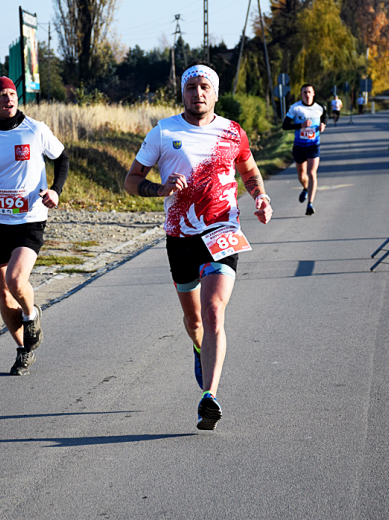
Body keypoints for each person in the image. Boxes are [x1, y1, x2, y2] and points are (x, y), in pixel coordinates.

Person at [124, 61, 273, 431]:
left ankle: (209, 396)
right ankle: (197, 347)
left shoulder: (232, 132)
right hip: (180, 238)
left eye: (205, 87)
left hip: (223, 231)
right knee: (194, 322)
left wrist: (261, 197)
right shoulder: (163, 132)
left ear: (215, 93)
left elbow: (249, 171)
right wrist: (159, 189)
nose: (198, 93)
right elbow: (131, 181)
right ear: (183, 93)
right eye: (191, 87)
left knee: (213, 311)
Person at [0, 76, 70, 376]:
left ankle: (31, 315)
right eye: (2, 95)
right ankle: (23, 349)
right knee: (3, 290)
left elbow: (62, 159)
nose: (9, 99)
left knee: (16, 281)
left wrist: (55, 190)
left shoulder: (36, 129)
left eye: (12, 94)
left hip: (29, 219)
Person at [283, 83, 327, 216]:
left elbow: (324, 117)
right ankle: (305, 188)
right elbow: (285, 125)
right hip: (299, 146)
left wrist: (323, 125)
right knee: (302, 175)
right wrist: (300, 125)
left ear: (313, 94)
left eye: (309, 92)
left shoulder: (320, 107)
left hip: (314, 145)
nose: (307, 95)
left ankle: (310, 204)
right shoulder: (295, 108)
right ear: (301, 94)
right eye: (304, 92)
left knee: (312, 173)